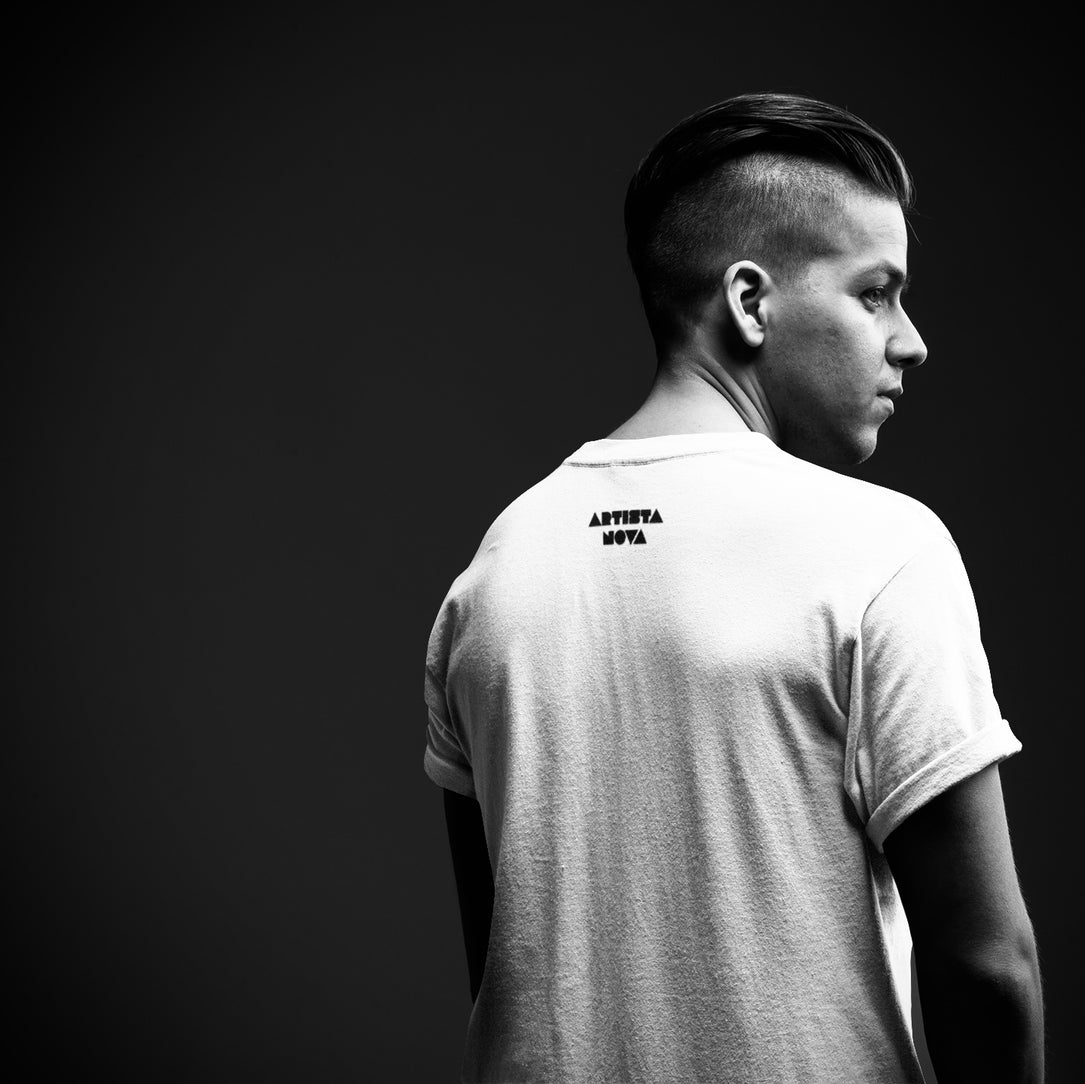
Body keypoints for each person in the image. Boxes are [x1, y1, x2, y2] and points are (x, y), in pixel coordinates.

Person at [424, 91, 1044, 1083]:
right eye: (875, 293)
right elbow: (986, 968)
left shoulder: (497, 566)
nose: (910, 339)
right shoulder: (880, 547)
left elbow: (505, 966)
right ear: (750, 302)